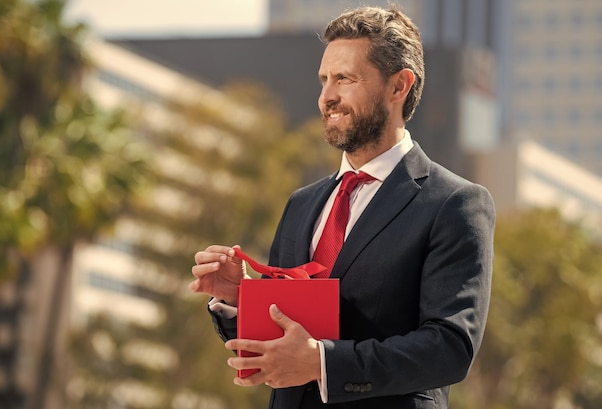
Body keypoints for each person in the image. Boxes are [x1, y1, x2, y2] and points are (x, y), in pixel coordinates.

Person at [189, 4, 495, 409]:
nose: (327, 96)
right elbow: (280, 341)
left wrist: (321, 362)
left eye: (345, 79)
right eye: (324, 80)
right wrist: (238, 300)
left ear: (399, 86)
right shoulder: (301, 205)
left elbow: (449, 348)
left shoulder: (454, 203)